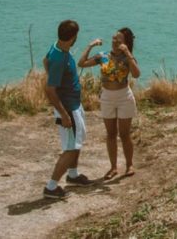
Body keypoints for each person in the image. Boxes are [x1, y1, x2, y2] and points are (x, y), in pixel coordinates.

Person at [43, 19, 99, 198]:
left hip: (74, 104)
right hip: (68, 108)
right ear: (73, 37)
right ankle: (51, 187)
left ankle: (73, 174)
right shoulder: (59, 58)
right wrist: (64, 114)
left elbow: (45, 60)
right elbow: (50, 90)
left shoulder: (57, 48)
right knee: (70, 148)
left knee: (77, 142)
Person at [94, 27, 141, 179]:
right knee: (111, 134)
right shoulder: (104, 56)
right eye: (113, 39)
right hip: (107, 97)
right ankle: (113, 167)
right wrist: (90, 46)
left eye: (118, 40)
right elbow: (81, 63)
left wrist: (128, 53)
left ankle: (129, 165)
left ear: (125, 43)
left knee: (125, 134)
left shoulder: (128, 57)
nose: (114, 42)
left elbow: (136, 74)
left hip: (124, 97)